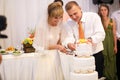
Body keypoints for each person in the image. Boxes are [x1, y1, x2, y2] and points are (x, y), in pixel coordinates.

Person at [63, 1, 105, 79]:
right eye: (70, 15)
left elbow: (101, 34)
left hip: (95, 54)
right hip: (78, 57)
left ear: (80, 8)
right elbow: (68, 37)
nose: (74, 17)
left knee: (97, 77)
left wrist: (90, 40)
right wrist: (69, 44)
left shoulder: (93, 17)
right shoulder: (68, 23)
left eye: (75, 13)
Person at [33, 2, 67, 80]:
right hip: (45, 58)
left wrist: (63, 48)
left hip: (55, 58)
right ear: (49, 15)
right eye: (55, 17)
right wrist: (57, 46)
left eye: (60, 17)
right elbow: (40, 45)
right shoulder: (42, 27)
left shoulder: (60, 26)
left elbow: (60, 42)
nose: (58, 20)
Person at [98, 4, 117, 80]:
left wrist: (115, 46)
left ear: (108, 11)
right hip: (102, 42)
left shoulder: (112, 20)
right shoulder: (98, 20)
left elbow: (114, 34)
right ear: (99, 11)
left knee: (111, 58)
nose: (103, 12)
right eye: (101, 10)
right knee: (103, 59)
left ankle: (111, 75)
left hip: (110, 42)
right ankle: (105, 75)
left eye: (105, 10)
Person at [111, 0, 120, 80]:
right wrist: (118, 36)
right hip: (118, 39)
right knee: (118, 59)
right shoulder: (114, 14)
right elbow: (114, 29)